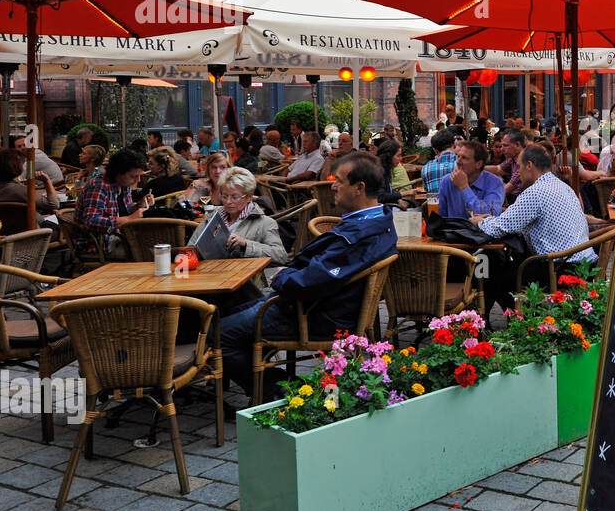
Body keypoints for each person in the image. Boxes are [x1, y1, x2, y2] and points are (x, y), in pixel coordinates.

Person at [218, 151, 397, 396]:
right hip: (323, 307)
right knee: (227, 310)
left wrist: (281, 276)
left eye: (339, 181)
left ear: (359, 188)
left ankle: (289, 393)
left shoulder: (357, 236)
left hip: (313, 314)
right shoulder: (378, 220)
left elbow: (312, 282)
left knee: (217, 335)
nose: (332, 186)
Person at [473, 146, 595, 307]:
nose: (517, 173)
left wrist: (478, 222)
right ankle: (515, 318)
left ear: (529, 165)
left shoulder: (535, 192)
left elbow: (499, 228)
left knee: (490, 273)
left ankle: (510, 321)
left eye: (519, 166)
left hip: (558, 269)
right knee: (507, 266)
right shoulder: (562, 186)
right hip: (584, 265)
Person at [73, 147, 154, 257]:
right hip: (97, 245)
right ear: (118, 172)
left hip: (119, 237)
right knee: (145, 253)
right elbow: (91, 221)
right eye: (134, 176)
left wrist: (139, 205)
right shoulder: (99, 186)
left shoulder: (124, 184)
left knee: (156, 245)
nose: (138, 180)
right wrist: (128, 219)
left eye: (140, 175)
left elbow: (125, 208)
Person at [211, 166, 288, 265]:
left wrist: (246, 245)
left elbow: (281, 256)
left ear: (249, 197)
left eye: (235, 197)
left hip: (243, 276)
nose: (228, 202)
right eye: (224, 196)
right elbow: (191, 248)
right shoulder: (212, 218)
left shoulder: (265, 223)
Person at [437, 140, 505, 218]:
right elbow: (441, 217)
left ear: (478, 164)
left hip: (481, 230)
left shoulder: (495, 183)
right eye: (458, 156)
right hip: (454, 229)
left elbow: (491, 216)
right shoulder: (447, 181)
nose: (458, 162)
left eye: (464, 158)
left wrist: (465, 188)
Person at [0, 148, 59, 213]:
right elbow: (54, 205)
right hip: (30, 229)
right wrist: (47, 181)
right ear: (16, 167)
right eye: (20, 162)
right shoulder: (21, 191)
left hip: (1, 229)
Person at [488, 128, 525, 198]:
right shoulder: (513, 158)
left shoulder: (523, 162)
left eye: (505, 145)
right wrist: (476, 168)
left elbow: (507, 188)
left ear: (517, 145)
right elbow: (498, 169)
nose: (501, 149)